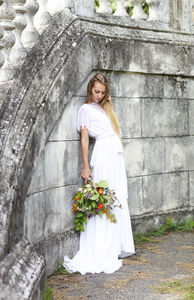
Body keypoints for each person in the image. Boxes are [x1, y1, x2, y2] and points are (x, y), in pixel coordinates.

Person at [63, 73, 135, 275]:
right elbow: (84, 139)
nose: (99, 95)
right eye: (96, 91)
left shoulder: (103, 108)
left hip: (114, 156)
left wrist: (108, 105)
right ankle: (99, 248)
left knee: (116, 196)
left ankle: (114, 244)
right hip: (102, 155)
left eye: (102, 92)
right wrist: (86, 165)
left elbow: (115, 129)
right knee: (104, 197)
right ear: (89, 89)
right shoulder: (85, 109)